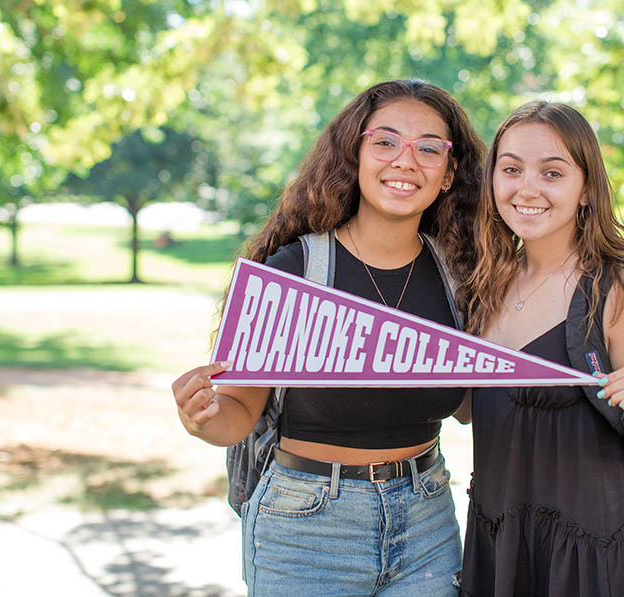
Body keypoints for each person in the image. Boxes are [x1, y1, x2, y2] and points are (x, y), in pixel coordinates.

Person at [171, 79, 485, 596]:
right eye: (385, 142)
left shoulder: (459, 277)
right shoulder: (295, 271)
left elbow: (470, 407)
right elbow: (237, 414)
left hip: (427, 517)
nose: (406, 161)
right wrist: (200, 417)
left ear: (449, 174)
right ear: (355, 152)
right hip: (307, 530)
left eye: (429, 148)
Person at [458, 101, 624, 596]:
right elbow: (468, 412)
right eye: (512, 169)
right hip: (502, 550)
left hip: (595, 563)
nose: (528, 188)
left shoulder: (617, 292)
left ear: (586, 190)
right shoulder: (485, 286)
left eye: (553, 172)